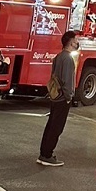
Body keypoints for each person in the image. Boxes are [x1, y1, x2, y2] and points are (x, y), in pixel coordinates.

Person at [37, 31, 79, 167]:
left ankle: (44, 152)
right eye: (76, 40)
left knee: (51, 124)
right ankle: (47, 155)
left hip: (55, 95)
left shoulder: (58, 57)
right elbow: (67, 81)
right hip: (62, 97)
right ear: (71, 42)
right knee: (57, 127)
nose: (77, 42)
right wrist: (69, 97)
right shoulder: (68, 59)